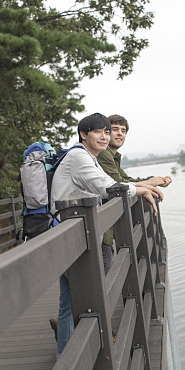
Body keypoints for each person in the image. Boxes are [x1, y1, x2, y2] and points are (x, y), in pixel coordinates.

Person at [50, 113, 163, 357]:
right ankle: (72, 358)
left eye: (107, 132)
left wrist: (143, 189)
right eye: (99, 132)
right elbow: (109, 188)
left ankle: (66, 355)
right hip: (71, 236)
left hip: (71, 233)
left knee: (69, 301)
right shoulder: (79, 157)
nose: (105, 136)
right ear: (83, 134)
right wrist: (145, 188)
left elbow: (111, 181)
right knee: (78, 299)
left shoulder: (90, 158)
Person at [97, 114, 173, 271]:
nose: (120, 134)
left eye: (123, 131)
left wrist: (152, 181)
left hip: (105, 227)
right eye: (115, 129)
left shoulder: (113, 156)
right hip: (101, 226)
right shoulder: (103, 153)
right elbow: (117, 182)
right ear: (106, 132)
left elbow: (125, 178)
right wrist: (150, 184)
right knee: (105, 279)